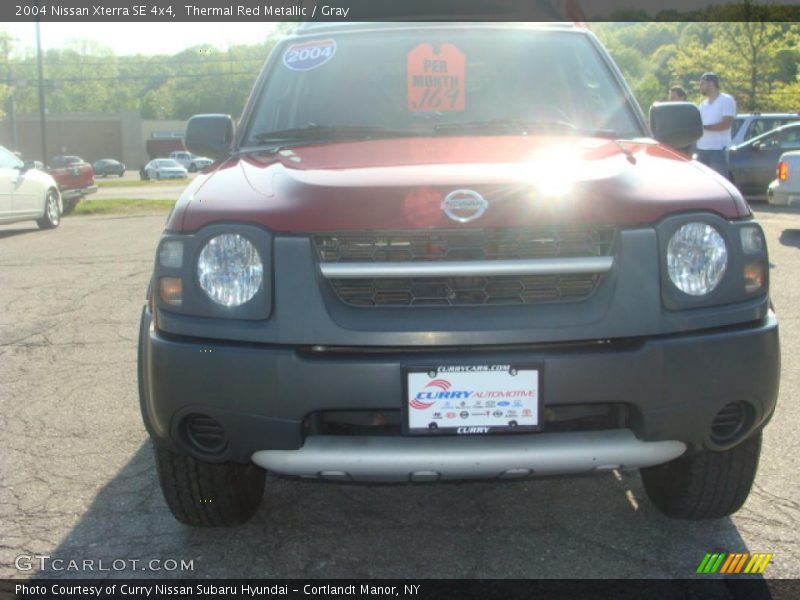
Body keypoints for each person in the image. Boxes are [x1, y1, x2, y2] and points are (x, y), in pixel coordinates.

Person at [695, 72, 736, 177]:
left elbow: (726, 124)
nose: (700, 87)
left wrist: (703, 128)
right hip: (701, 149)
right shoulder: (702, 105)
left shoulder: (726, 100)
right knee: (702, 181)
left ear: (711, 83)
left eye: (702, 84)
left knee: (719, 180)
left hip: (718, 150)